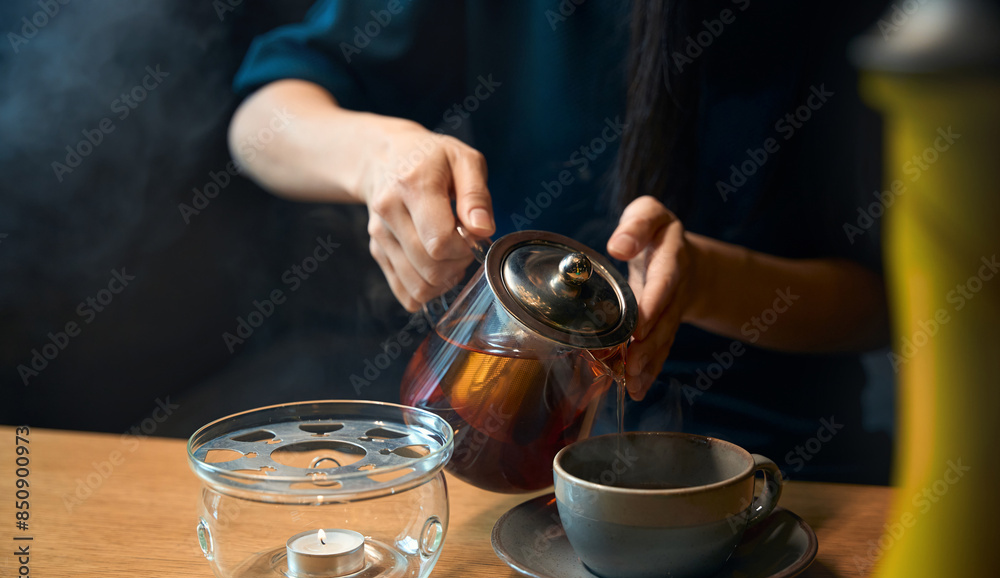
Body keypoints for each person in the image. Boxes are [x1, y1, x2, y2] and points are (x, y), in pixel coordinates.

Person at [228, 0, 893, 483]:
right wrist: (378, 155)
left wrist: (707, 282)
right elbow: (262, 118)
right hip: (504, 432)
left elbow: (891, 303)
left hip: (778, 468)